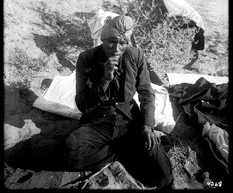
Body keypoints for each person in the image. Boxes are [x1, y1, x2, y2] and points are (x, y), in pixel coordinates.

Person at [65, 15, 173, 188]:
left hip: (129, 120)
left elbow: (146, 93)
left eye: (122, 43)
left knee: (163, 175)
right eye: (111, 42)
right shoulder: (87, 58)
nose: (116, 48)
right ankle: (121, 152)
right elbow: (82, 104)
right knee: (71, 150)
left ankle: (121, 149)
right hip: (98, 121)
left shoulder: (136, 55)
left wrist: (147, 126)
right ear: (103, 39)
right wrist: (105, 80)